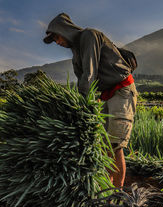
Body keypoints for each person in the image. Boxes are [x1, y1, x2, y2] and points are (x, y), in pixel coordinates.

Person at [43, 13, 137, 188]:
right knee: (103, 145)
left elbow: (89, 75)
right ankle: (105, 191)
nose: (57, 42)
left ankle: (116, 196)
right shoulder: (76, 54)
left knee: (114, 145)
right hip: (107, 95)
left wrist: (82, 107)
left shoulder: (89, 36)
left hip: (121, 92)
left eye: (57, 37)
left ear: (65, 30)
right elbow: (83, 81)